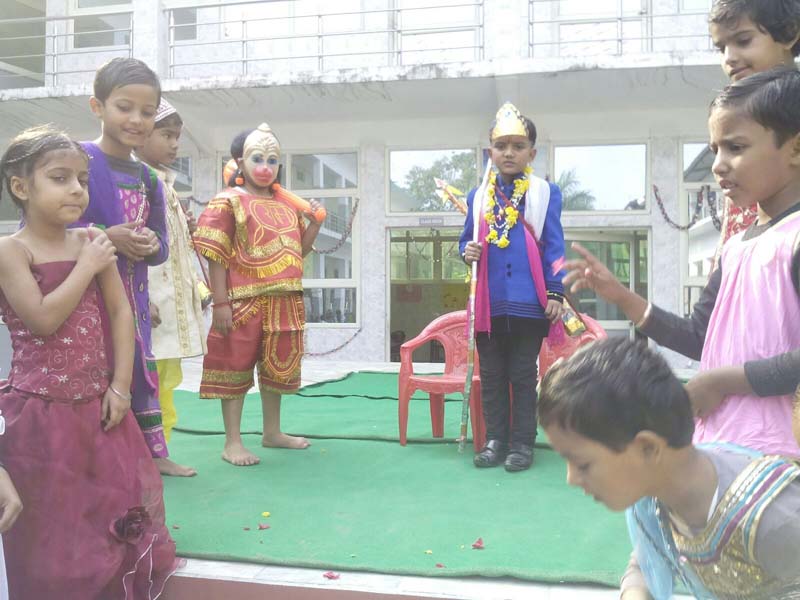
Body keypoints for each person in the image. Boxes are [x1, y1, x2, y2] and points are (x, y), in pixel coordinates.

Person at [563, 68, 800, 457]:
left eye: (735, 147)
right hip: (723, 446)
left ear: (795, 148)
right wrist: (622, 297)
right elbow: (698, 336)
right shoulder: (736, 248)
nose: (719, 164)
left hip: (781, 459)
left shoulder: (794, 238)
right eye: (715, 149)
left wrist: (722, 382)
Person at [0, 125, 177, 599]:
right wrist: (87, 265)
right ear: (21, 187)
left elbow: (121, 313)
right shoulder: (11, 251)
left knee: (105, 518)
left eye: (81, 179)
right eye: (60, 178)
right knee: (53, 527)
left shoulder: (92, 240)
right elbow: (42, 319)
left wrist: (120, 387)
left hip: (100, 410)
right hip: (40, 419)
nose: (77, 189)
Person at [539, 337, 800, 600]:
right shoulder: (656, 494)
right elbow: (646, 558)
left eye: (582, 463)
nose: (571, 478)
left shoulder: (774, 522)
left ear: (648, 448)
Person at [73, 57, 184, 477]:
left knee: (135, 371)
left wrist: (151, 244)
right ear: (97, 106)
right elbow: (43, 228)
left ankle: (147, 457)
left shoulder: (148, 178)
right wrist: (105, 235)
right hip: (81, 299)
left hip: (132, 302)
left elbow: (161, 246)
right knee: (89, 375)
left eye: (147, 111)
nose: (136, 119)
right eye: (124, 107)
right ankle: (92, 462)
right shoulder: (76, 160)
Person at [195, 124, 324, 466]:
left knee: (276, 369)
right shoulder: (228, 201)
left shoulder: (286, 205)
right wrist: (220, 302)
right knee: (235, 368)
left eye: (272, 160)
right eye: (257, 159)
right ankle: (232, 442)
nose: (265, 167)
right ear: (240, 162)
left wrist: (314, 224)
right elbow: (216, 255)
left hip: (285, 299)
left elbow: (298, 251)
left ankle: (272, 432)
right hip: (242, 301)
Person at [459, 102, 566, 472]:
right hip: (489, 304)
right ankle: (495, 441)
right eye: (501, 146)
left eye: (518, 146)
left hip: (529, 303)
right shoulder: (477, 196)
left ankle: (522, 444)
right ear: (490, 152)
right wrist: (466, 251)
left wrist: (555, 292)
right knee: (491, 376)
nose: (509, 153)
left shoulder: (546, 193)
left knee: (522, 376)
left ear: (531, 154)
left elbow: (555, 248)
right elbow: (465, 241)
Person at [137, 98, 206, 477]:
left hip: (167, 305)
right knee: (149, 382)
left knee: (165, 380)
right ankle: (148, 455)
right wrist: (140, 298)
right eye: (166, 135)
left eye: (177, 137)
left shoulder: (164, 183)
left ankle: (157, 453)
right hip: (150, 303)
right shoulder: (138, 181)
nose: (175, 144)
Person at [708, 0, 800, 260]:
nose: (729, 58)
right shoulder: (738, 112)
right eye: (721, 48)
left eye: (743, 41)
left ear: (789, 32)